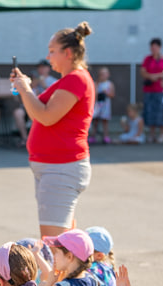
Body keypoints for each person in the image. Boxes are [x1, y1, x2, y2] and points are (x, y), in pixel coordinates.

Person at [11, 22, 95, 238]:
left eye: (51, 51)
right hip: (56, 167)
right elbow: (40, 111)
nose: (48, 57)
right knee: (62, 243)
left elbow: (46, 116)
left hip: (61, 167)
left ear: (67, 53)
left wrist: (25, 89)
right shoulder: (70, 79)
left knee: (54, 244)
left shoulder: (75, 79)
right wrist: (25, 88)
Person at [13, 60, 56, 146]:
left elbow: (54, 96)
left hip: (44, 107)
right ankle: (25, 138)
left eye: (43, 67)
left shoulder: (53, 81)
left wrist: (44, 86)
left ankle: (39, 139)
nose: (41, 69)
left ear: (48, 68)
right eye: (39, 67)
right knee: (18, 113)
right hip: (29, 106)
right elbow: (17, 94)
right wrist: (31, 86)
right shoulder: (32, 80)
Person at [141, 38, 163, 144]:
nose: (153, 49)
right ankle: (152, 135)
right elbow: (143, 72)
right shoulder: (147, 59)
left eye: (155, 47)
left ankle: (162, 134)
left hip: (160, 90)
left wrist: (157, 76)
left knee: (160, 112)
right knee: (150, 112)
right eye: (152, 47)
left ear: (160, 48)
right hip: (149, 89)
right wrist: (151, 76)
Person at [91, 67, 115, 144]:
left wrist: (106, 93)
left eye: (104, 74)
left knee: (105, 121)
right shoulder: (96, 83)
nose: (103, 76)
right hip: (98, 105)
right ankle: (93, 136)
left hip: (105, 105)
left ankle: (106, 136)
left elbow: (112, 95)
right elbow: (94, 94)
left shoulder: (109, 84)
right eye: (101, 74)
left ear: (108, 75)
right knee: (95, 121)